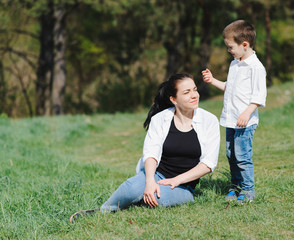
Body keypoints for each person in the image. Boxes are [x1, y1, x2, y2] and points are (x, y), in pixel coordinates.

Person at [70, 73, 220, 223]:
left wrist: (176, 180)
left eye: (194, 89)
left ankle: (132, 202)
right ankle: (102, 212)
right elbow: (151, 153)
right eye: (187, 92)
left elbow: (208, 164)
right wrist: (149, 182)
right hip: (156, 174)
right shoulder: (160, 119)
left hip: (183, 186)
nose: (194, 95)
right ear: (173, 99)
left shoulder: (209, 120)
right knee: (131, 187)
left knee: (156, 198)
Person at [202, 20, 267, 203]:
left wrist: (247, 113)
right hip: (230, 120)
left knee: (243, 157)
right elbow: (229, 88)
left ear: (244, 44)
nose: (229, 50)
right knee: (231, 155)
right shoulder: (235, 64)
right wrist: (213, 80)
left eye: (230, 47)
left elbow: (259, 96)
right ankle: (235, 186)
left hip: (244, 122)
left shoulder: (255, 68)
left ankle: (248, 191)